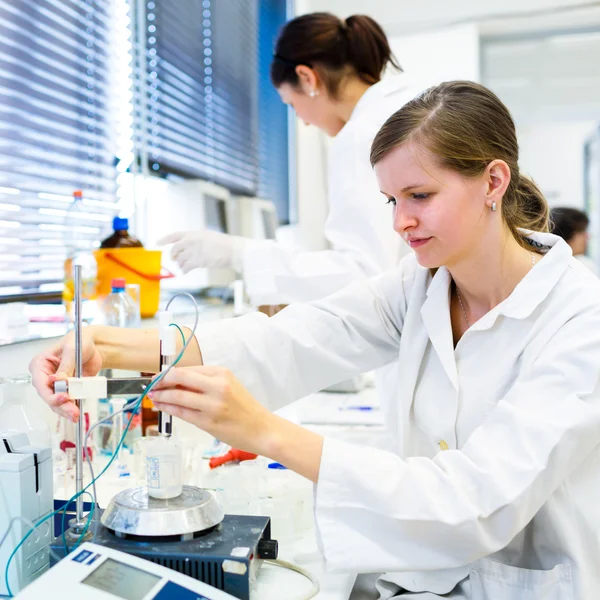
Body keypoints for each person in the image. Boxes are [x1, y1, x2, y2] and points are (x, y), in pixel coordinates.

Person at [31, 82, 600, 599]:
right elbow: (289, 340)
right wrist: (104, 343)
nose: (400, 222)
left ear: (493, 182)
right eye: (391, 201)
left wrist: (263, 431)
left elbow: (475, 502)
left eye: (419, 195)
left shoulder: (578, 319)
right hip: (429, 579)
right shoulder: (421, 284)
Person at [159, 12, 413, 305]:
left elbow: (362, 275)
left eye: (292, 104)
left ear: (307, 78)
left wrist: (239, 253)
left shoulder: (362, 135)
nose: (303, 121)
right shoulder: (403, 107)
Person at [550, 206, 598, 274]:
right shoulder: (583, 265)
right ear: (566, 235)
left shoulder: (539, 263)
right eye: (582, 231)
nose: (587, 236)